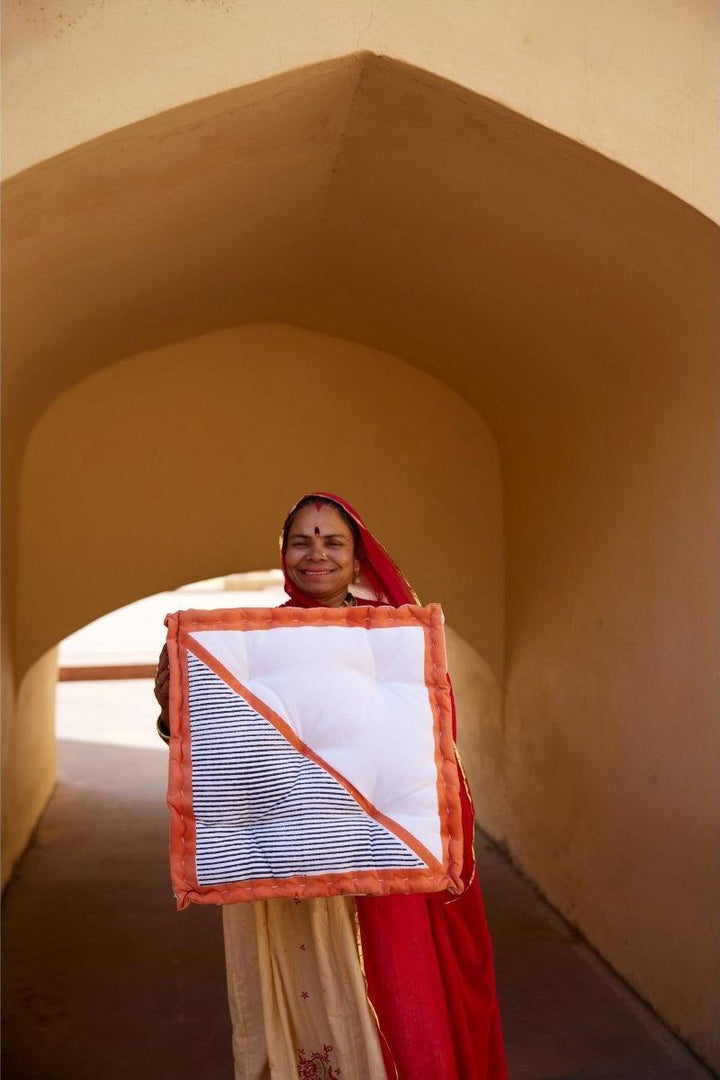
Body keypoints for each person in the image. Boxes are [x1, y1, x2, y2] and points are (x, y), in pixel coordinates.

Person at [156, 492, 508, 1080]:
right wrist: (178, 710)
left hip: (379, 869)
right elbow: (226, 758)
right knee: (305, 1016)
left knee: (393, 1007)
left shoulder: (395, 640)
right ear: (283, 553)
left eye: (332, 541)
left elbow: (429, 755)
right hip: (286, 866)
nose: (315, 554)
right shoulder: (244, 645)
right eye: (301, 541)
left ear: (357, 556)